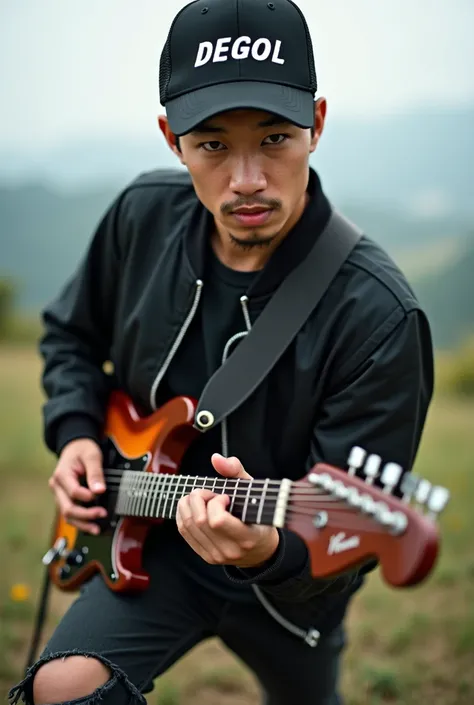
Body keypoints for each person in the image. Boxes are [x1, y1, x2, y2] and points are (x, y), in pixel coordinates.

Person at [9, 1, 434, 704]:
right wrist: (78, 433)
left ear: (317, 125)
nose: (246, 179)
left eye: (274, 138)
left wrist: (272, 552)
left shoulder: (381, 314)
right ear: (170, 138)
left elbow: (350, 531)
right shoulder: (139, 218)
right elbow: (70, 337)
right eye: (211, 144)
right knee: (62, 690)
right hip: (143, 549)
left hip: (290, 587)